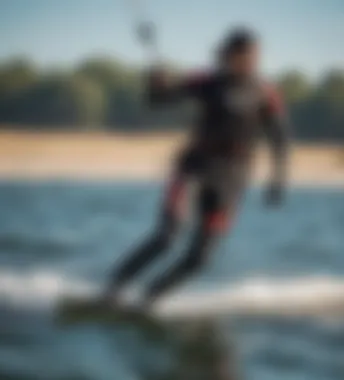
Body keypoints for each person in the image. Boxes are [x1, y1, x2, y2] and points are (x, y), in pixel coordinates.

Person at [104, 27, 289, 309]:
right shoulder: (207, 81)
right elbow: (158, 99)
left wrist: (278, 180)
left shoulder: (265, 92)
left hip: (231, 180)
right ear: (229, 53)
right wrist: (155, 79)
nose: (252, 59)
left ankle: (148, 300)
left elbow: (279, 138)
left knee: (200, 258)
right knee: (167, 237)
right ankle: (112, 289)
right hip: (194, 169)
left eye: (255, 54)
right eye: (246, 53)